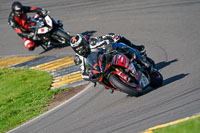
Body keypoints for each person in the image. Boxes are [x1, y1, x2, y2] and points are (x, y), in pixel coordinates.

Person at [70, 33, 154, 82]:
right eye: (76, 48)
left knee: (120, 45)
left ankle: (141, 58)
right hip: (100, 68)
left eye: (80, 46)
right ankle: (118, 83)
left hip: (108, 55)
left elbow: (106, 42)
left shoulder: (92, 42)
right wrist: (90, 77)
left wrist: (109, 47)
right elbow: (83, 73)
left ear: (84, 43)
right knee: (101, 80)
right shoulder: (78, 59)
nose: (79, 49)